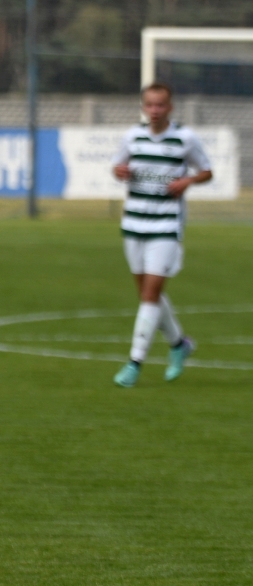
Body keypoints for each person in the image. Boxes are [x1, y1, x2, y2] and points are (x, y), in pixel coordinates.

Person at [110, 82, 212, 388]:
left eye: (160, 105)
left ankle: (135, 362)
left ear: (170, 107)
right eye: (149, 105)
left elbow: (207, 171)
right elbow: (117, 166)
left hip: (166, 225)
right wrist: (120, 171)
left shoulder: (185, 138)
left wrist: (187, 181)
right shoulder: (133, 136)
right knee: (148, 294)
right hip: (134, 223)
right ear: (143, 107)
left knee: (150, 296)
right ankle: (179, 344)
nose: (154, 110)